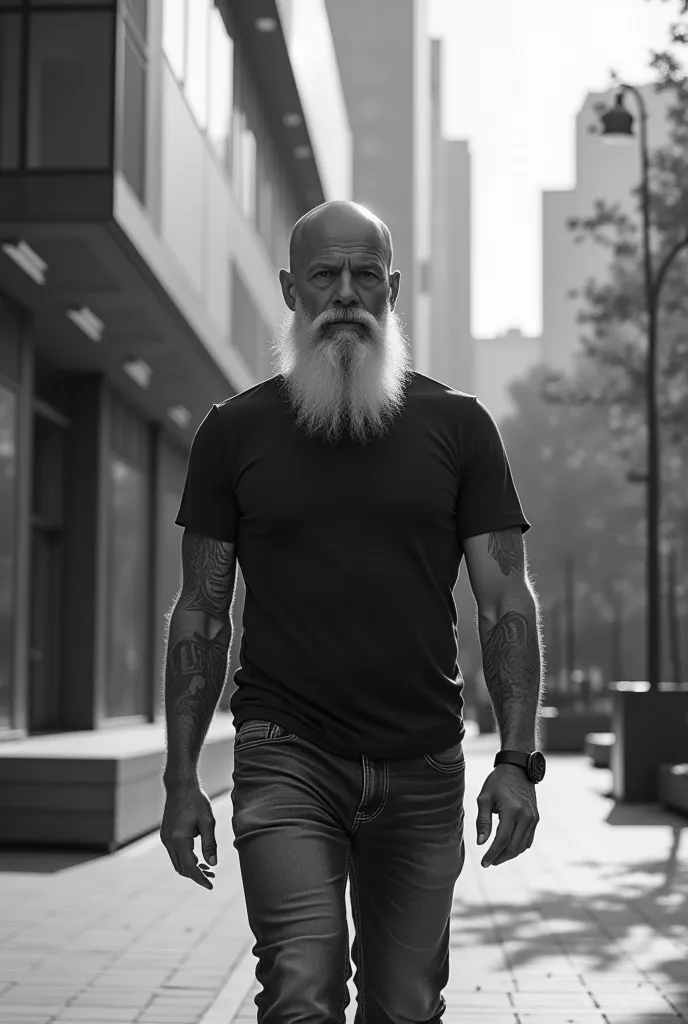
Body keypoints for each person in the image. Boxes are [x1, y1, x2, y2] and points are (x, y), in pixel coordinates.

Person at [160, 201, 545, 1023]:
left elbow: (506, 599)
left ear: (392, 288)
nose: (345, 292)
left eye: (365, 274)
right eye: (324, 275)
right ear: (290, 289)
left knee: (406, 1007)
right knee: (301, 992)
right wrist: (179, 776)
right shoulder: (234, 433)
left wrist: (517, 760)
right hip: (284, 754)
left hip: (425, 765)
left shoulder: (459, 426)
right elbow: (201, 610)